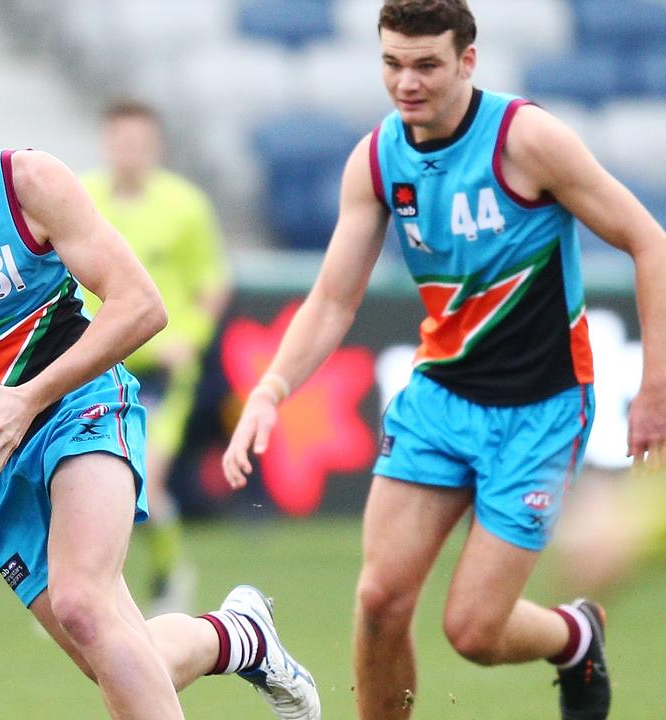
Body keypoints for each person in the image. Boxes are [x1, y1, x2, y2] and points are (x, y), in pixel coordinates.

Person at [0, 36, 319, 720]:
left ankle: (235, 635)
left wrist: (28, 398)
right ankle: (236, 635)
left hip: (71, 404)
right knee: (114, 657)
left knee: (87, 604)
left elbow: (142, 306)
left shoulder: (28, 183)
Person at [222, 1, 665, 718]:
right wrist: (272, 388)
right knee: (378, 600)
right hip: (440, 401)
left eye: (426, 64)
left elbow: (651, 243)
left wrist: (655, 390)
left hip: (541, 410)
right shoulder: (375, 160)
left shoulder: (527, 141)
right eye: (392, 64)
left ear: (468, 60)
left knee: (475, 631)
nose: (407, 83)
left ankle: (575, 634)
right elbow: (334, 299)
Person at [80, 99, 229, 615]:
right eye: (121, 141)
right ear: (107, 143)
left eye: (139, 142)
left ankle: (166, 577)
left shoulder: (185, 206)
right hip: (96, 361)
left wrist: (194, 335)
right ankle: (93, 589)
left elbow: (210, 283)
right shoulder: (80, 198)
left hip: (161, 366)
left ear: (156, 147)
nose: (129, 152)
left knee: (147, 478)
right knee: (90, 478)